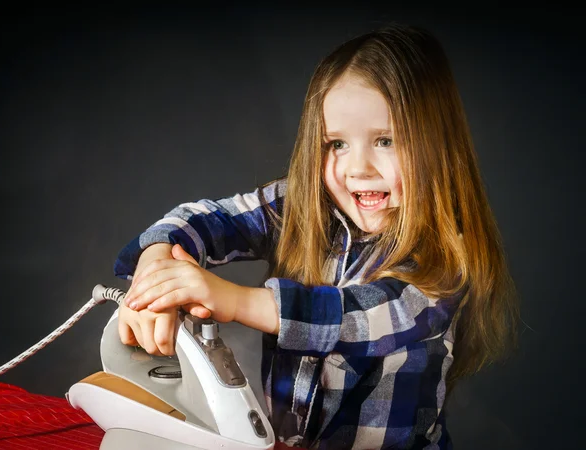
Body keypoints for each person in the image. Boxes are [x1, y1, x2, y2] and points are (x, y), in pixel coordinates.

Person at [113, 23, 519, 449]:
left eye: (385, 141)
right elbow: (211, 218)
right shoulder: (305, 204)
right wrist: (156, 266)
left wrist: (232, 300)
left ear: (437, 145)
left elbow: (351, 318)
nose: (357, 168)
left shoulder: (442, 265)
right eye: (337, 144)